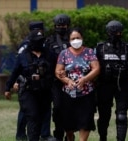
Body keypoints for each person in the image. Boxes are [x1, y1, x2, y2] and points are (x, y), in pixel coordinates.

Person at [4, 29, 54, 141]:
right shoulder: (23, 56)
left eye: (41, 41)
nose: (39, 43)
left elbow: (57, 70)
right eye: (36, 41)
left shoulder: (49, 54)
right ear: (31, 41)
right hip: (28, 92)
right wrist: (8, 88)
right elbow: (15, 72)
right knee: (32, 116)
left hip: (44, 91)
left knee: (41, 117)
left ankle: (41, 136)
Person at [55, 27, 100, 141]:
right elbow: (58, 71)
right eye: (73, 38)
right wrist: (67, 80)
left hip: (86, 94)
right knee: (68, 125)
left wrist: (85, 79)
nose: (76, 40)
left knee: (85, 122)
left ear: (82, 38)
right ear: (69, 40)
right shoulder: (64, 53)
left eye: (78, 38)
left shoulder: (89, 52)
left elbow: (96, 68)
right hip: (68, 94)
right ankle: (70, 137)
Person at [95, 20, 128, 141]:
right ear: (107, 32)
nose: (115, 34)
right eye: (112, 32)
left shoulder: (127, 48)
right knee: (104, 116)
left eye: (118, 32)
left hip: (122, 85)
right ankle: (103, 138)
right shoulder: (99, 48)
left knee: (122, 116)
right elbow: (93, 66)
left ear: (121, 32)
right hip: (104, 85)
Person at [45, 13, 71, 141]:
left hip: (72, 80)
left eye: (63, 25)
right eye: (59, 25)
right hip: (56, 81)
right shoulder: (49, 41)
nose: (61, 27)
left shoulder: (73, 39)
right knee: (58, 107)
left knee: (71, 108)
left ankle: (69, 134)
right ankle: (58, 133)